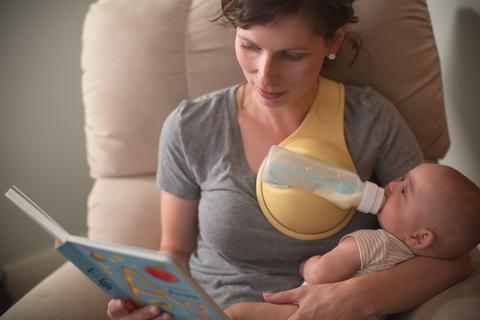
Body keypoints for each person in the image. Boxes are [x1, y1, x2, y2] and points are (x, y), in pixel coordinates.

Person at [107, 1, 470, 319]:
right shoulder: (191, 127)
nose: (265, 76)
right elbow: (174, 250)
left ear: (334, 42)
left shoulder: (369, 121)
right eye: (249, 46)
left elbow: (449, 255)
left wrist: (351, 299)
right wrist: (154, 303)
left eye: (292, 55)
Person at [224, 163, 480, 319]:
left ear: (420, 237)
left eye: (403, 190)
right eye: (402, 177)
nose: (391, 184)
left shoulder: (375, 244)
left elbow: (322, 273)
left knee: (236, 313)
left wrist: (308, 264)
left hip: (312, 313)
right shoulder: (416, 263)